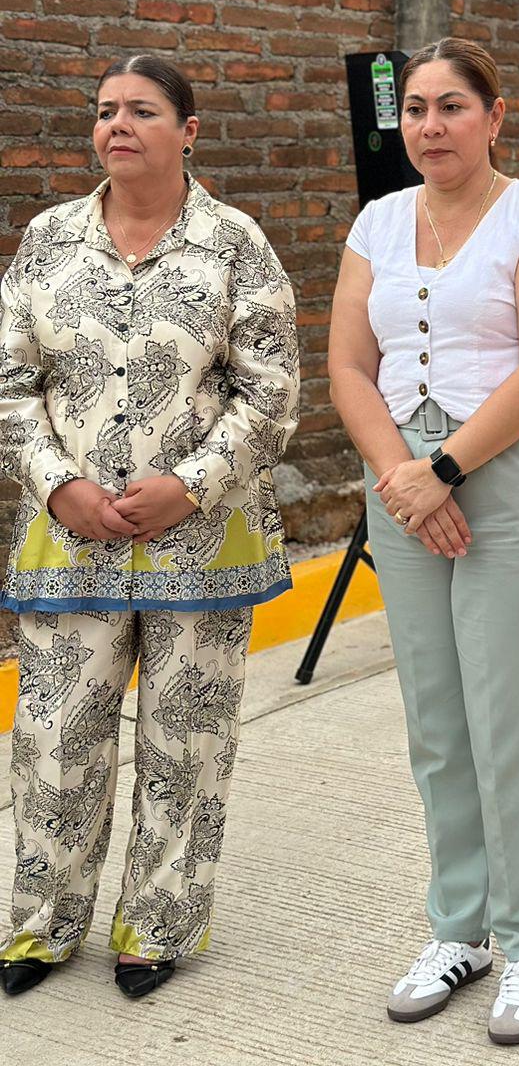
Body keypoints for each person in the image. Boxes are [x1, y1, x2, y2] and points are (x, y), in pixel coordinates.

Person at [0, 53, 299, 1000]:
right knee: (54, 736)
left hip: (201, 545)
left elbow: (272, 390)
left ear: (189, 131)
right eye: (103, 112)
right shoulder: (47, 244)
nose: (116, 126)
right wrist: (57, 486)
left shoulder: (236, 246)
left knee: (186, 741)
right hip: (69, 539)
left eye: (140, 111)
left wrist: (193, 485)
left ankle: (158, 926)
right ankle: (41, 926)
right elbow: (10, 385)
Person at [328, 36, 519, 1047]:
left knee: (510, 718)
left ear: (494, 115)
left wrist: (444, 470)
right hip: (400, 481)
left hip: (509, 474)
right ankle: (460, 926)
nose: (429, 125)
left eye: (451, 107)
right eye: (417, 110)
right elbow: (350, 362)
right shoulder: (379, 221)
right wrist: (402, 473)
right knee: (438, 720)